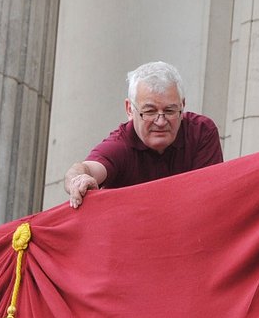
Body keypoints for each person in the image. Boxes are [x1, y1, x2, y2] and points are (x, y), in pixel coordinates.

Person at [65, 61, 223, 208]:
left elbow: (211, 198)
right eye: (149, 112)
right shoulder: (120, 145)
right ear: (129, 109)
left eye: (169, 111)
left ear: (182, 106)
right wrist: (78, 181)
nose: (160, 122)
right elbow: (86, 169)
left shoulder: (201, 132)